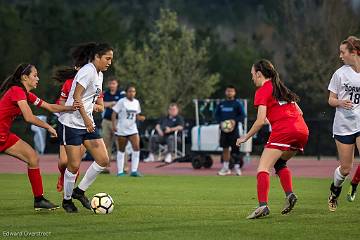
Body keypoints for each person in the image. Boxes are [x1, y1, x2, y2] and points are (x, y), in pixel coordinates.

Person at [236, 59, 309, 219]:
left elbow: (260, 120)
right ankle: (289, 194)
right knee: (280, 162)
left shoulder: (263, 90)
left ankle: (263, 206)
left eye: (252, 74)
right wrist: (276, 118)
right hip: (302, 130)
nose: (252, 78)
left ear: (259, 74)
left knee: (262, 168)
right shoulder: (281, 88)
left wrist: (245, 137)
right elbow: (299, 111)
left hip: (284, 130)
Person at [0, 63, 78, 211]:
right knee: (32, 157)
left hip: (4, 135)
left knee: (32, 158)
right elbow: (28, 117)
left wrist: (71, 107)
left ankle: (39, 199)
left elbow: (49, 107)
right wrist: (48, 127)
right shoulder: (16, 91)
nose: (38, 78)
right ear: (24, 77)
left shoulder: (26, 94)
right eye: (34, 75)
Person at [58, 42, 113, 213]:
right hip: (71, 123)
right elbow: (76, 97)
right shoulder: (87, 71)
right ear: (97, 57)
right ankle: (67, 201)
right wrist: (86, 119)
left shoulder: (100, 74)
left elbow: (94, 99)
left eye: (111, 59)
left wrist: (93, 112)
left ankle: (79, 191)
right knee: (73, 165)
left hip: (87, 122)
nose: (110, 62)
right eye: (107, 58)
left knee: (103, 160)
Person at [52, 65, 104, 192]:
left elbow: (101, 107)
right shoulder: (69, 83)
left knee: (75, 163)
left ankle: (72, 192)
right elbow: (61, 102)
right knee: (63, 162)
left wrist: (90, 107)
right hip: (68, 123)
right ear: (76, 67)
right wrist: (68, 107)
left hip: (86, 126)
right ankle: (63, 177)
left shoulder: (96, 80)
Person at [327, 36, 360, 211]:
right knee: (346, 168)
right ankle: (334, 191)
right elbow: (330, 100)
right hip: (343, 126)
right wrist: (340, 102)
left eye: (343, 52)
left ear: (353, 52)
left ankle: (354, 187)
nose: (340, 56)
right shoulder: (340, 74)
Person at [111, 85, 145, 176]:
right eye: (130, 91)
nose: (132, 93)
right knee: (121, 150)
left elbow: (136, 115)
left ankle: (134, 171)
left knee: (136, 148)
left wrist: (140, 118)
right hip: (122, 129)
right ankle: (120, 172)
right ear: (126, 92)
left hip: (133, 129)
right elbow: (114, 113)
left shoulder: (136, 102)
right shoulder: (122, 101)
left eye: (133, 91)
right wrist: (114, 125)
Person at [215, 85, 246, 176]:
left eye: (231, 91)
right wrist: (220, 122)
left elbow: (243, 115)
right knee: (225, 148)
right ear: (225, 92)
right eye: (228, 91)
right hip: (224, 131)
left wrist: (234, 121)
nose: (230, 93)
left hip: (234, 131)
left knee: (235, 149)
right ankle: (225, 168)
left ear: (234, 93)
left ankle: (237, 168)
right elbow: (216, 115)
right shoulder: (221, 104)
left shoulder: (237, 104)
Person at [102, 77, 125, 160]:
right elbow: (102, 104)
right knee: (105, 144)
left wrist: (109, 104)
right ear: (108, 84)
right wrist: (112, 103)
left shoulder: (121, 94)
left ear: (117, 84)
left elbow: (122, 105)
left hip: (118, 121)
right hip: (106, 121)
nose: (112, 85)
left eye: (114, 83)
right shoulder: (105, 93)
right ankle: (105, 166)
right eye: (110, 83)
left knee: (120, 144)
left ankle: (123, 167)